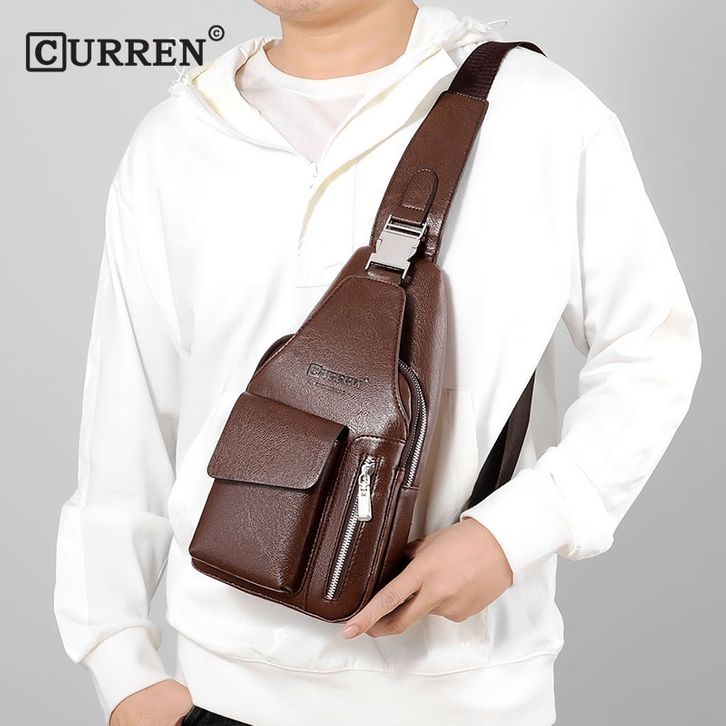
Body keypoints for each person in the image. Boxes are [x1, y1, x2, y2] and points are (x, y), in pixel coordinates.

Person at [53, 2, 702, 725]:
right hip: (216, 687)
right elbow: (128, 420)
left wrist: (512, 533)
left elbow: (653, 348)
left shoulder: (539, 112)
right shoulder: (176, 141)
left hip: (465, 695)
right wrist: (120, 664)